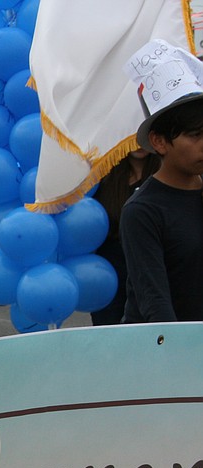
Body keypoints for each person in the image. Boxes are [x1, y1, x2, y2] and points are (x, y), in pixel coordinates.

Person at [120, 51, 203, 323]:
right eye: (195, 135)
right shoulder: (142, 211)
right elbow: (153, 300)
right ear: (159, 141)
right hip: (165, 352)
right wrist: (177, 354)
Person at [91, 149, 159, 324]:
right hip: (110, 273)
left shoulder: (164, 177)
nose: (137, 142)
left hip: (152, 269)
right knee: (109, 340)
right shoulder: (105, 178)